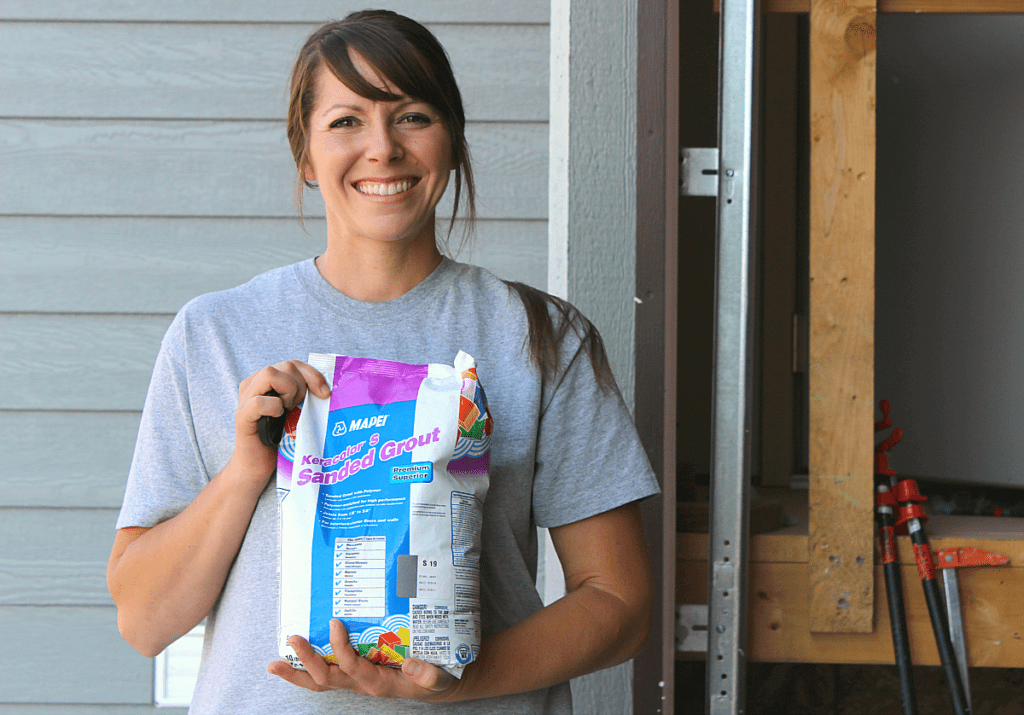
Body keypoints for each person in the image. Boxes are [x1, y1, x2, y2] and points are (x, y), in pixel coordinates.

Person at [107, 10, 659, 714]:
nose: (382, 148)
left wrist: (465, 678)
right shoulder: (213, 334)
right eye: (345, 121)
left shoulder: (541, 337)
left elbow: (621, 602)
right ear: (305, 155)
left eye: (412, 116)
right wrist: (249, 469)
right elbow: (144, 621)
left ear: (453, 143)